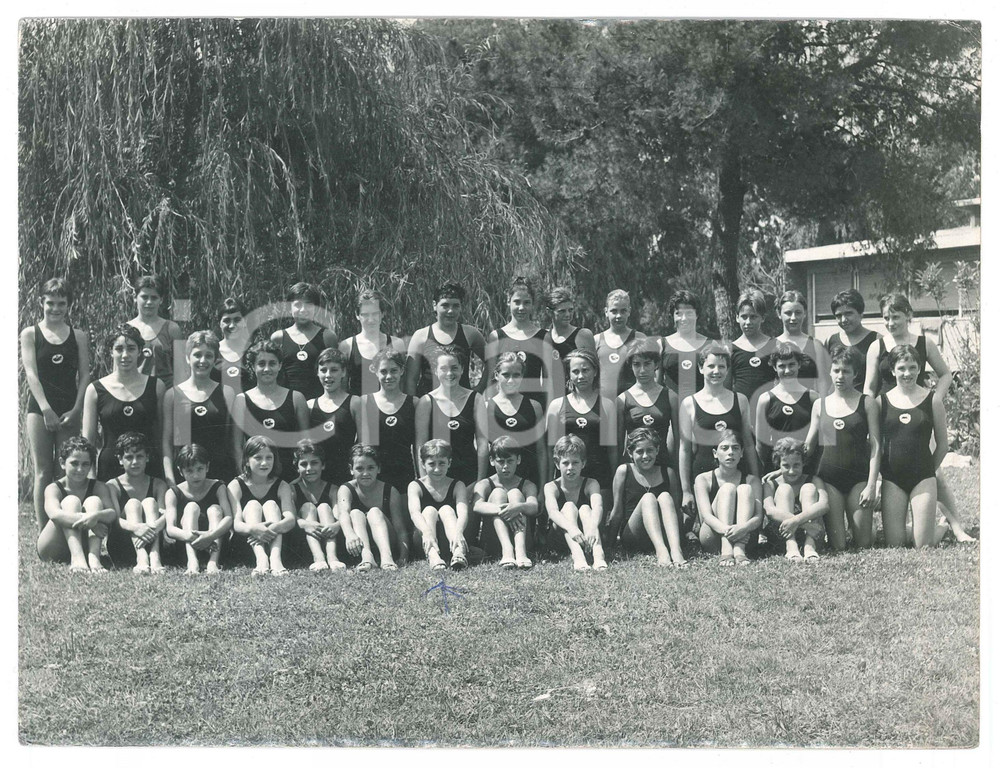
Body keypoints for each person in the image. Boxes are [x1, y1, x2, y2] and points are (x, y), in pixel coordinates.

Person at [864, 293, 974, 542]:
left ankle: (954, 526)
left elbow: (945, 374)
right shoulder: (877, 346)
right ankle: (900, 521)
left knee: (932, 472)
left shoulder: (924, 343)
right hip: (886, 412)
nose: (891, 322)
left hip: (919, 411)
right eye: (886, 318)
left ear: (908, 315)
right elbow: (869, 387)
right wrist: (868, 416)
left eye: (896, 316)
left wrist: (934, 400)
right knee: (888, 464)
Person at [21, 277, 91, 529]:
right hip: (40, 410)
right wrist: (46, 409)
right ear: (41, 302)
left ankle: (64, 526)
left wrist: (76, 409)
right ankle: (43, 530)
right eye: (50, 303)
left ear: (69, 305)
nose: (55, 308)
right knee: (43, 471)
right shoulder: (30, 334)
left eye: (61, 303)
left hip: (69, 410)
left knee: (66, 473)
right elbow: (31, 374)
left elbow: (84, 376)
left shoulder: (78, 336)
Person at [805, 346, 880, 550]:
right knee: (838, 546)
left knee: (863, 543)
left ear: (856, 373)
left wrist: (872, 485)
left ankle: (864, 525)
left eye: (846, 371)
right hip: (830, 481)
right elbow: (809, 446)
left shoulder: (867, 403)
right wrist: (782, 467)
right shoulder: (820, 405)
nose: (840, 376)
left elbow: (875, 445)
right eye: (836, 370)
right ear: (830, 371)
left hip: (858, 479)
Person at [678, 344, 758, 537]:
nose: (716, 371)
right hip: (706, 479)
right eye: (711, 366)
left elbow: (748, 443)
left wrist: (756, 476)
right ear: (700, 368)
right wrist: (686, 490)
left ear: (728, 369)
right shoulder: (690, 403)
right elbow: (685, 449)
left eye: (722, 367)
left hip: (736, 473)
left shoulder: (740, 400)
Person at [878, 344, 949, 549]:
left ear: (919, 368)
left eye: (912, 367)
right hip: (893, 479)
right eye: (901, 368)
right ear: (892, 370)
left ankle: (941, 527)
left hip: (923, 478)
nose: (907, 373)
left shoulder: (932, 400)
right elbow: (874, 442)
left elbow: (943, 445)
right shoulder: (881, 401)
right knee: (895, 544)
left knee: (923, 546)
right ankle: (917, 525)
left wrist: (927, 473)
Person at [83, 324, 165, 481]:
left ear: (140, 351)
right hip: (110, 469)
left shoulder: (157, 386)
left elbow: (161, 437)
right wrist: (91, 478)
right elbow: (89, 442)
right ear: (110, 351)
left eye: (131, 348)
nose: (125, 355)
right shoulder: (95, 390)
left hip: (148, 469)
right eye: (119, 349)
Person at [162, 330, 236, 485]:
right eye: (197, 355)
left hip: (221, 475)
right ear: (188, 358)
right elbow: (167, 444)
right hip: (186, 476)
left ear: (215, 359)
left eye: (209, 355)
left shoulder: (227, 393)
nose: (203, 360)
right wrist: (170, 481)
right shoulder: (172, 395)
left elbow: (233, 444)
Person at [231, 339, 309, 484]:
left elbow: (305, 443)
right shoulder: (241, 400)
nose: (267, 369)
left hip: (290, 479)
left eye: (272, 363)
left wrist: (300, 477)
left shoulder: (296, 398)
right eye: (261, 364)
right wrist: (247, 480)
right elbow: (237, 446)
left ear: (280, 365)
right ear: (252, 367)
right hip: (255, 480)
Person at [36, 437, 117, 572]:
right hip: (53, 547)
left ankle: (94, 559)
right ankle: (77, 558)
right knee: (71, 501)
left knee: (94, 502)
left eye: (85, 464)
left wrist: (95, 516)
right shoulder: (54, 488)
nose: (80, 469)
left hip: (84, 543)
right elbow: (55, 514)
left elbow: (112, 513)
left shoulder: (98, 487)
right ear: (62, 463)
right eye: (74, 463)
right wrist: (91, 522)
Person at [608, 428, 686, 567]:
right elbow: (617, 511)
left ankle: (676, 551)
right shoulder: (624, 471)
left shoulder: (667, 473)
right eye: (639, 451)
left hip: (663, 533)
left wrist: (681, 537)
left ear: (657, 450)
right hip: (634, 535)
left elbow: (675, 512)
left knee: (665, 497)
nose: (645, 456)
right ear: (630, 453)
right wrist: (610, 544)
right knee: (649, 498)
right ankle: (661, 552)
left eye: (649, 450)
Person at [547, 349, 617, 503]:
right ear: (569, 375)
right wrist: (548, 483)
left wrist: (613, 486)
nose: (581, 376)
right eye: (575, 371)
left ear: (595, 372)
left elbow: (612, 451)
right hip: (567, 481)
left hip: (600, 480)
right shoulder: (557, 406)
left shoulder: (607, 405)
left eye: (585, 370)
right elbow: (550, 450)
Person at [416, 345, 487, 488]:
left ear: (462, 369)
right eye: (444, 368)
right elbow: (420, 446)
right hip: (437, 476)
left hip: (469, 476)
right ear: (435, 371)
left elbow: (482, 443)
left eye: (454, 368)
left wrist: (480, 482)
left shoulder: (475, 399)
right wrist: (425, 482)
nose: (449, 373)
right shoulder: (426, 402)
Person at [617, 337, 679, 492]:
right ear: (630, 366)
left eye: (647, 364)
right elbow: (618, 446)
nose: (642, 370)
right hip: (634, 470)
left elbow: (679, 441)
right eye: (637, 365)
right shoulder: (623, 399)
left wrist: (677, 475)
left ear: (656, 364)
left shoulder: (670, 396)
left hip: (663, 466)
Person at [228, 435, 297, 575]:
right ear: (247, 461)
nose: (264, 463)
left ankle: (275, 559)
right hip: (248, 543)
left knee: (270, 504)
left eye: (269, 457)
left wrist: (271, 528)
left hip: (276, 543)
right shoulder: (236, 485)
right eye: (258, 458)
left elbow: (290, 519)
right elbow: (236, 523)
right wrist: (254, 529)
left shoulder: (282, 485)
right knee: (253, 504)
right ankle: (261, 559)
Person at [404, 282, 487, 397]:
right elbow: (410, 380)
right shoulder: (421, 336)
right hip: (429, 405)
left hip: (461, 405)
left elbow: (492, 361)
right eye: (445, 305)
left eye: (456, 306)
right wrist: (414, 405)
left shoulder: (470, 334)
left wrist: (478, 390)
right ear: (434, 305)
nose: (450, 311)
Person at [693, 430, 762, 566]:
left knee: (745, 488)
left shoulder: (752, 480)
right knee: (728, 488)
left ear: (741, 453)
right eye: (724, 448)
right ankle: (726, 549)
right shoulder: (703, 479)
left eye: (735, 448)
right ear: (715, 453)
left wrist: (742, 529)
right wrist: (729, 531)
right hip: (713, 536)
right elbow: (706, 515)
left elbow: (759, 517)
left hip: (745, 537)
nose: (730, 452)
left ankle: (739, 551)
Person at [337, 445, 409, 571]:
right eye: (359, 468)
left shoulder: (390, 491)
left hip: (386, 540)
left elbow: (400, 528)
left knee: (374, 512)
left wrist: (404, 556)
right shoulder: (346, 489)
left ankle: (387, 558)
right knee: (355, 513)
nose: (365, 473)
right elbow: (343, 513)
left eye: (370, 468)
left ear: (378, 468)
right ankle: (367, 557)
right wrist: (349, 534)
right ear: (351, 469)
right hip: (359, 542)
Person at [164, 443, 233, 574]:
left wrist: (209, 536)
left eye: (200, 469)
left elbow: (229, 518)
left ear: (207, 467)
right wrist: (192, 536)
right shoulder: (173, 492)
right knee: (191, 507)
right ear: (180, 471)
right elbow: (170, 528)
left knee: (215, 509)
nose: (195, 475)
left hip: (215, 543)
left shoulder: (218, 487)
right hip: (187, 546)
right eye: (189, 471)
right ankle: (192, 562)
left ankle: (213, 563)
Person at [104, 432, 168, 573]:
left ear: (147, 458)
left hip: (153, 541)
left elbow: (166, 515)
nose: (135, 462)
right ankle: (141, 558)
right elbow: (114, 519)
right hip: (122, 544)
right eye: (129, 457)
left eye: (139, 456)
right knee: (133, 504)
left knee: (150, 502)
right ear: (120, 460)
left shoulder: (158, 484)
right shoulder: (112, 486)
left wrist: (151, 528)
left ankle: (155, 556)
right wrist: (136, 528)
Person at [542, 435, 607, 572]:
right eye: (565, 463)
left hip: (587, 536)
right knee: (569, 506)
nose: (570, 468)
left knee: (585, 508)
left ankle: (598, 554)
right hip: (560, 537)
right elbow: (553, 512)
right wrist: (572, 529)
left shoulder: (591, 483)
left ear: (583, 463)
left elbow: (598, 506)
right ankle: (578, 557)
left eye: (575, 463)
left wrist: (593, 526)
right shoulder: (551, 486)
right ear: (557, 463)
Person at [472, 437, 539, 569]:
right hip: (493, 540)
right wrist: (505, 509)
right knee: (498, 493)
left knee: (515, 494)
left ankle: (520, 552)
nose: (505, 466)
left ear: (518, 460)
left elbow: (534, 507)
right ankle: (507, 550)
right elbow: (476, 505)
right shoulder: (485, 484)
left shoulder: (527, 485)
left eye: (510, 461)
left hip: (523, 540)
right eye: (501, 462)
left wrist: (517, 507)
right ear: (492, 461)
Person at [407, 440, 473, 570]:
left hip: (453, 539)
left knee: (446, 509)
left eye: (442, 463)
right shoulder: (415, 485)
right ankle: (433, 556)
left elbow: (463, 512)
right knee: (429, 510)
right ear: (423, 464)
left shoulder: (457, 485)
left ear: (449, 463)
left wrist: (459, 532)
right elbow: (414, 513)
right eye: (432, 464)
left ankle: (458, 554)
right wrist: (426, 533)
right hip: (425, 540)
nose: (437, 469)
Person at [754, 342, 819, 474]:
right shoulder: (766, 399)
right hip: (775, 469)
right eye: (782, 366)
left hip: (805, 469)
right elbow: (761, 445)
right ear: (774, 368)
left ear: (799, 364)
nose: (787, 371)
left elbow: (814, 442)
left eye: (791, 365)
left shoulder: (813, 398)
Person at [485, 276, 550, 407]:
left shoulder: (544, 337)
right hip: (503, 408)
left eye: (526, 302)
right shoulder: (497, 336)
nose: (521, 308)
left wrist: (549, 413)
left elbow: (550, 381)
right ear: (508, 302)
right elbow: (490, 379)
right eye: (517, 302)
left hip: (534, 408)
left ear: (533, 304)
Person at [359, 349, 418, 493]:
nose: (389, 376)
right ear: (375, 371)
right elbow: (363, 446)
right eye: (383, 371)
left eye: (394, 370)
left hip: (404, 474)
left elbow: (418, 446)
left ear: (402, 370)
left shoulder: (415, 403)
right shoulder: (365, 401)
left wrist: (421, 479)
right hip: (375, 475)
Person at [762, 438, 829, 562]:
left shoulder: (813, 480)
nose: (791, 471)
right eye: (786, 466)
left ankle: (810, 547)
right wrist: (805, 525)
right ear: (778, 464)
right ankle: (791, 547)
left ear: (803, 463)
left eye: (796, 465)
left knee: (809, 488)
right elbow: (770, 511)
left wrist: (797, 521)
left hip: (812, 534)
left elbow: (824, 505)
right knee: (784, 489)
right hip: (783, 534)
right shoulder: (771, 484)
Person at [270, 282, 338, 400]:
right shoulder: (278, 338)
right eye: (298, 305)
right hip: (287, 404)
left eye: (308, 305)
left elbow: (336, 374)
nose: (303, 310)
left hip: (319, 405)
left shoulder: (327, 337)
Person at [289, 439, 345, 572]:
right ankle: (318, 558)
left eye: (314, 463)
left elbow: (340, 515)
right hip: (303, 541)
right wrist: (305, 524)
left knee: (324, 507)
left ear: (323, 465)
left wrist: (336, 526)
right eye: (303, 464)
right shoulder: (291, 489)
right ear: (297, 468)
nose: (309, 469)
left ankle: (332, 557)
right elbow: (290, 517)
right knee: (308, 506)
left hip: (330, 538)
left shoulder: (333, 489)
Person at [338, 288, 406, 396]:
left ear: (382, 314)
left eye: (375, 314)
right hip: (358, 408)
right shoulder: (347, 346)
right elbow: (342, 388)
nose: (371, 319)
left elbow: (402, 385)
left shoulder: (396, 344)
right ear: (357, 315)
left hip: (390, 409)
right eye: (365, 314)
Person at [307, 348, 360, 485]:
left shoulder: (354, 402)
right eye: (323, 370)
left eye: (334, 370)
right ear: (317, 373)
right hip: (317, 478)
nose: (328, 375)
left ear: (343, 372)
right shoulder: (309, 406)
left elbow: (363, 444)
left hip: (345, 476)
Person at [127, 274, 184, 389]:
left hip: (165, 394)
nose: (149, 302)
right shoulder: (126, 329)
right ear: (135, 297)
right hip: (134, 394)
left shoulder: (172, 329)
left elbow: (182, 370)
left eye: (154, 298)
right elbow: (117, 370)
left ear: (161, 300)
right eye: (144, 297)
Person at [660, 289, 714, 403]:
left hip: (703, 412)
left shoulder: (711, 345)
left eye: (689, 313)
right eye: (678, 313)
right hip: (672, 413)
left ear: (697, 314)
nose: (684, 318)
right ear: (672, 316)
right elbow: (656, 385)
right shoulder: (662, 345)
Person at [728, 289, 777, 414]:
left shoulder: (774, 346)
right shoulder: (730, 350)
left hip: (768, 412)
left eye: (753, 317)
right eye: (744, 317)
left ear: (763, 318)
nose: (748, 322)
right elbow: (726, 388)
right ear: (737, 317)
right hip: (740, 413)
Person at [544, 286, 596, 398]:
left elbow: (594, 372)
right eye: (562, 311)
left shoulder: (582, 335)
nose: (568, 314)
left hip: (578, 399)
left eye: (570, 310)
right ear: (549, 312)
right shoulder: (544, 337)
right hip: (551, 400)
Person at [775, 289, 830, 395]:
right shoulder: (771, 345)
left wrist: (822, 407)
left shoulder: (815, 345)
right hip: (779, 407)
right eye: (788, 313)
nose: (793, 318)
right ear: (779, 314)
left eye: (798, 313)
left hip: (808, 405)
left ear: (804, 313)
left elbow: (822, 382)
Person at [824, 289, 878, 393]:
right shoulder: (830, 341)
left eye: (848, 313)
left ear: (861, 313)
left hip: (865, 403)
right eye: (839, 315)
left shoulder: (876, 340)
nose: (844, 320)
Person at [594, 289, 645, 397]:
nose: (618, 316)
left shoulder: (639, 338)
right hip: (603, 404)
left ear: (629, 311)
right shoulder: (597, 340)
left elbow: (648, 372)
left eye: (623, 311)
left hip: (632, 403)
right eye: (614, 311)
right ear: (606, 312)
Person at [212, 297, 255, 394]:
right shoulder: (212, 351)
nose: (232, 325)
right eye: (227, 320)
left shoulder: (255, 351)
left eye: (237, 320)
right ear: (219, 323)